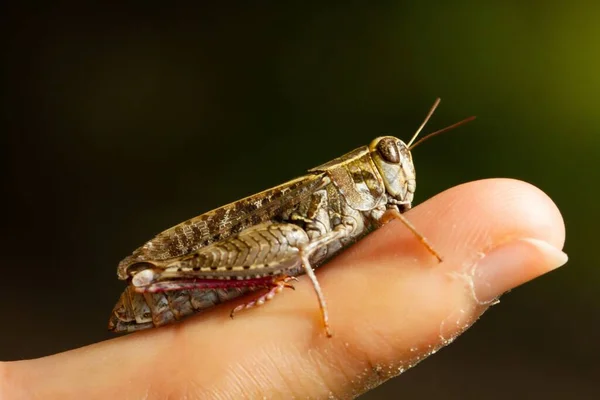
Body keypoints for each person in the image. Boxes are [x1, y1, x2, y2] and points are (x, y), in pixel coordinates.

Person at [0, 179, 567, 399]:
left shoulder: (378, 206)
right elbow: (300, 242)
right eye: (393, 159)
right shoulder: (329, 190)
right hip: (205, 266)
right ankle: (162, 281)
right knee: (296, 243)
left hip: (278, 255)